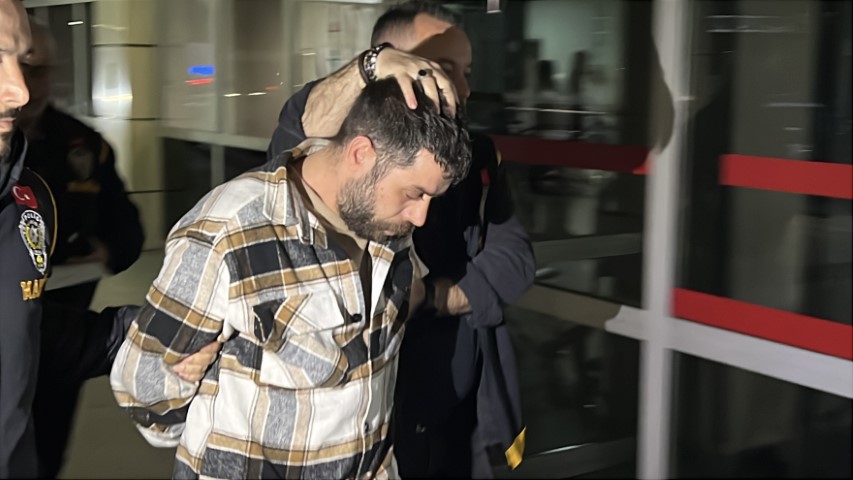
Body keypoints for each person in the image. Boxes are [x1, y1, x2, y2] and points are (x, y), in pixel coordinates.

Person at [110, 78, 471, 479]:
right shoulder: (230, 228)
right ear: (360, 153)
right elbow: (145, 390)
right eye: (414, 193)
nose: (420, 217)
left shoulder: (384, 219)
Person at [266, 2, 535, 477]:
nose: (462, 89)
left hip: (456, 428)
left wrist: (431, 296)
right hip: (357, 428)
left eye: (467, 72)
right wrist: (371, 67)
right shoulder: (338, 148)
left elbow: (515, 261)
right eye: (443, 69)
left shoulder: (476, 158)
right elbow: (294, 136)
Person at [17, 16, 144, 311]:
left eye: (39, 72)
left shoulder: (84, 143)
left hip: (69, 310)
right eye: (19, 69)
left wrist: (109, 250)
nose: (27, 86)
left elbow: (124, 222)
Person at [0, 2, 48, 476]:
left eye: (22, 61)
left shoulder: (29, 203)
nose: (20, 91)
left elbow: (21, 334)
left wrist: (164, 327)